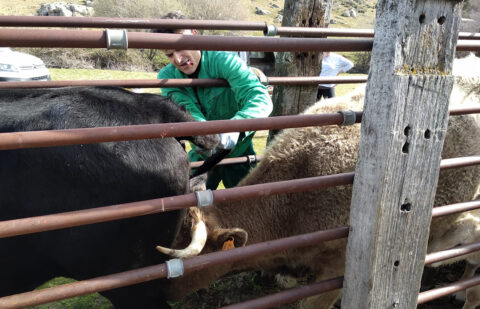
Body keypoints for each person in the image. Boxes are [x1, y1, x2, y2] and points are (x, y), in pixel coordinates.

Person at [154, 12, 273, 190]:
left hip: (238, 153)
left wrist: (235, 128)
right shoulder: (167, 77)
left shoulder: (224, 60)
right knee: (190, 209)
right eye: (170, 55)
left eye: (180, 47)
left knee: (249, 208)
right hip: (202, 156)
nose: (177, 59)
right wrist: (207, 138)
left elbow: (258, 96)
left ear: (194, 34)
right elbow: (187, 111)